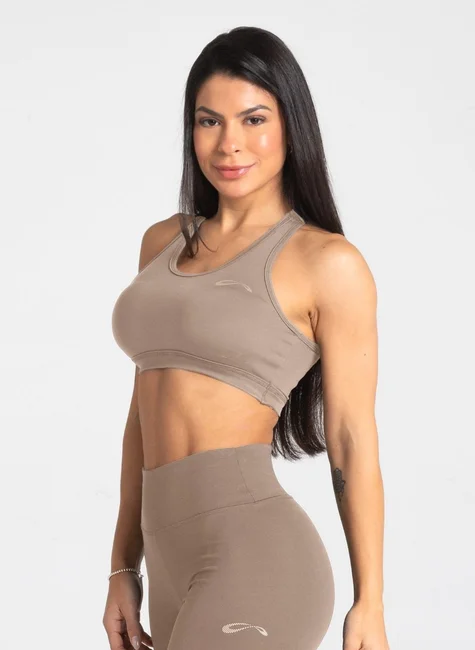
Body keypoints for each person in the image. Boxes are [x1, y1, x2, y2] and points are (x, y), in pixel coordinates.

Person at [102, 25, 390, 650]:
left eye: (253, 119)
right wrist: (123, 566)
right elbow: (141, 415)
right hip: (168, 560)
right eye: (209, 121)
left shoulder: (327, 263)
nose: (229, 143)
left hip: (257, 559)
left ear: (291, 126)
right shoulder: (162, 242)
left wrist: (370, 601)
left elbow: (351, 437)